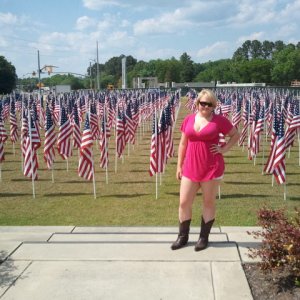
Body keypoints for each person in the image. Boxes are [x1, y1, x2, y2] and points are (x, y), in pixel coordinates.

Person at [171, 89, 240, 251]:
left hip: (211, 167)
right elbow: (183, 144)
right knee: (184, 202)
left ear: (213, 106)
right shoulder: (188, 119)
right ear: (197, 103)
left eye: (210, 104)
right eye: (203, 103)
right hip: (190, 167)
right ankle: (182, 237)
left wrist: (223, 150)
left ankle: (203, 238)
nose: (206, 107)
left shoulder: (219, 121)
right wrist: (179, 165)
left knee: (208, 203)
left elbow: (235, 135)